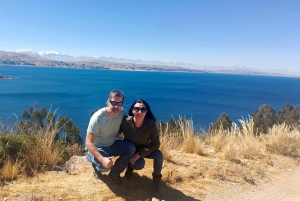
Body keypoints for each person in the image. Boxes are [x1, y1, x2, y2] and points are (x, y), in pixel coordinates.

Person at [85, 89, 135, 184]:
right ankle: (95, 165)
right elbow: (88, 142)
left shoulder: (121, 113)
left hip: (112, 145)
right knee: (104, 167)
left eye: (119, 104)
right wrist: (102, 159)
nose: (116, 106)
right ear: (108, 102)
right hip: (97, 148)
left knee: (130, 148)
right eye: (113, 102)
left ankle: (114, 174)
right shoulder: (98, 118)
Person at [120, 99, 163, 195]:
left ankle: (156, 184)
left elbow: (156, 144)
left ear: (146, 111)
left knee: (159, 155)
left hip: (144, 149)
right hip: (130, 150)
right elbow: (114, 133)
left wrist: (140, 154)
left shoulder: (151, 124)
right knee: (138, 165)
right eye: (137, 109)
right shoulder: (125, 122)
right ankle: (129, 169)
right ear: (132, 110)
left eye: (143, 109)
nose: (140, 112)